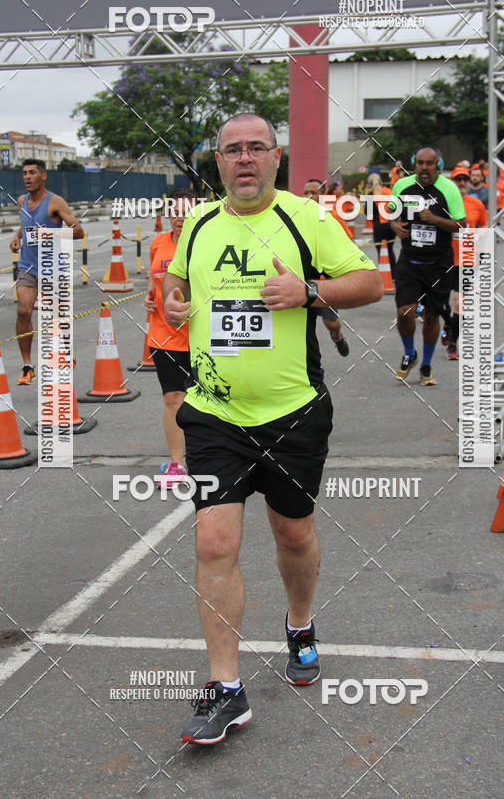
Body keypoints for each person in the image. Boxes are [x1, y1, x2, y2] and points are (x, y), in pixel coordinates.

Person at [163, 112, 383, 745]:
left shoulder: (307, 219)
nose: (245, 159)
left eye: (256, 147)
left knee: (293, 532)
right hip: (214, 413)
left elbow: (371, 282)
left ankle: (300, 623)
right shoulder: (200, 223)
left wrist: (310, 292)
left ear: (276, 157)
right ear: (219, 162)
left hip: (293, 412)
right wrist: (173, 296)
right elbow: (178, 277)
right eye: (232, 150)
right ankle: (226, 691)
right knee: (213, 545)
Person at [388, 147, 466, 385]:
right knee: (404, 312)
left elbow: (461, 224)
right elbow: (391, 213)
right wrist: (394, 225)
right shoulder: (401, 186)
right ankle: (410, 353)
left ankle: (427, 365)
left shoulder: (449, 188)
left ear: (437, 165)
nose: (423, 168)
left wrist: (435, 219)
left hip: (439, 264)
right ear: (414, 164)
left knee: (432, 317)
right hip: (410, 262)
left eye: (429, 163)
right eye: (420, 163)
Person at [9, 158, 84, 384]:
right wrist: (16, 237)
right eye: (24, 173)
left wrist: (50, 235)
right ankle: (27, 365)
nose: (27, 177)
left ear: (43, 176)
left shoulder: (55, 202)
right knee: (23, 311)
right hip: (28, 266)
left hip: (53, 267)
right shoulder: (22, 201)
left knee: (56, 318)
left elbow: (79, 231)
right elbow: (25, 225)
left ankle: (67, 354)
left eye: (32, 173)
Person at [144, 189, 195, 487]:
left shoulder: (205, 245)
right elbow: (154, 277)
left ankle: (211, 455)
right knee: (173, 397)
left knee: (207, 400)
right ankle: (177, 464)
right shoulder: (158, 243)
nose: (181, 218)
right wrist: (150, 299)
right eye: (176, 212)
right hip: (163, 335)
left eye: (187, 212)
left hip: (199, 335)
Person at [302, 178, 351, 356]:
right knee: (303, 328)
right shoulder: (297, 216)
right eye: (305, 193)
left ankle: (337, 336)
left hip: (325, 282)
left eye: (313, 193)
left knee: (331, 322)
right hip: (302, 280)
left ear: (323, 196)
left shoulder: (332, 217)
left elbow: (348, 243)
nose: (308, 196)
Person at [443, 166, 488, 359]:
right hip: (443, 258)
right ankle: (447, 324)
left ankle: (453, 343)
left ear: (469, 183)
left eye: (464, 180)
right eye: (457, 179)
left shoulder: (476, 203)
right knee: (437, 303)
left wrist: (478, 235)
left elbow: (485, 224)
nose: (461, 183)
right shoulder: (444, 203)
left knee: (459, 303)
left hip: (467, 259)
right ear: (452, 182)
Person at [366, 172, 395, 279]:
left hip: (379, 226)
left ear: (369, 184)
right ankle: (393, 274)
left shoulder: (371, 195)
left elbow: (368, 213)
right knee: (390, 250)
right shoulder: (389, 192)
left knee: (381, 251)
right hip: (391, 225)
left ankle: (385, 275)